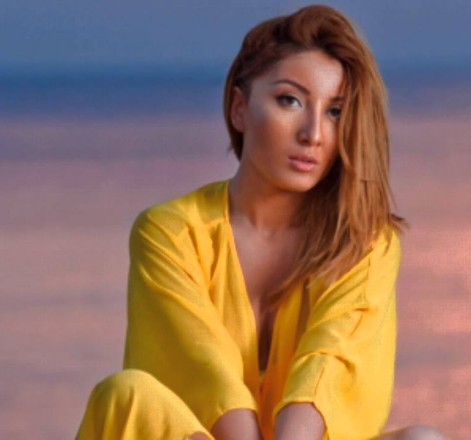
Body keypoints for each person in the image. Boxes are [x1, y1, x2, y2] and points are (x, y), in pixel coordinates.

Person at [76, 5, 448, 440]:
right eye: (290, 100)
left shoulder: (364, 242)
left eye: (335, 111)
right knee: (125, 394)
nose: (313, 133)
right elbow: (202, 369)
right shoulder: (171, 233)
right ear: (239, 108)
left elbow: (327, 368)